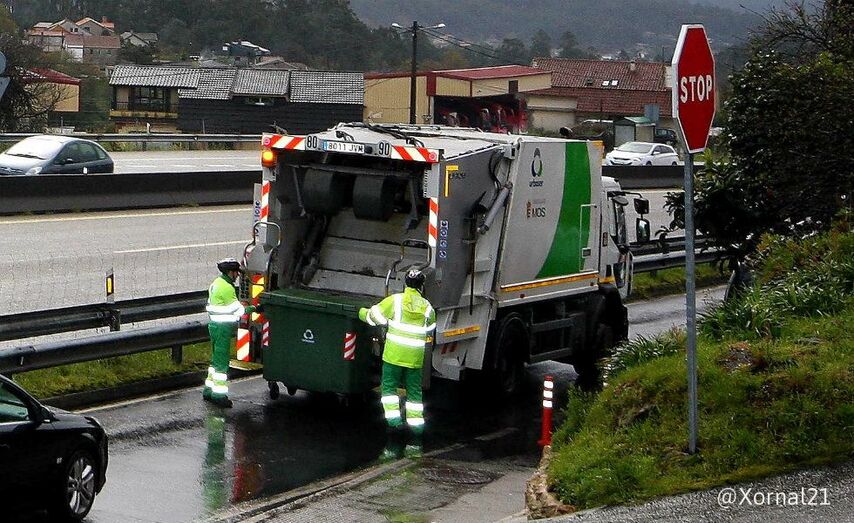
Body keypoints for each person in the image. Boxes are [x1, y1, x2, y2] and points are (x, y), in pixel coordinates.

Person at [359, 269, 436, 436]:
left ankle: (394, 423)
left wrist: (361, 312)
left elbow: (374, 317)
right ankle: (416, 427)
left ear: (405, 283)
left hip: (393, 356)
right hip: (414, 359)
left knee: (389, 389)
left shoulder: (395, 300)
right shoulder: (427, 307)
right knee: (414, 393)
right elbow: (430, 328)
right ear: (422, 286)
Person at [204, 258, 256, 408]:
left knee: (215, 361)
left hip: (214, 326)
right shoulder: (227, 288)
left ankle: (208, 390)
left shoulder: (216, 283)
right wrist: (255, 308)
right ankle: (219, 395)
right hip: (223, 328)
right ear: (230, 272)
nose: (237, 275)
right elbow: (239, 311)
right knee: (221, 363)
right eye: (236, 273)